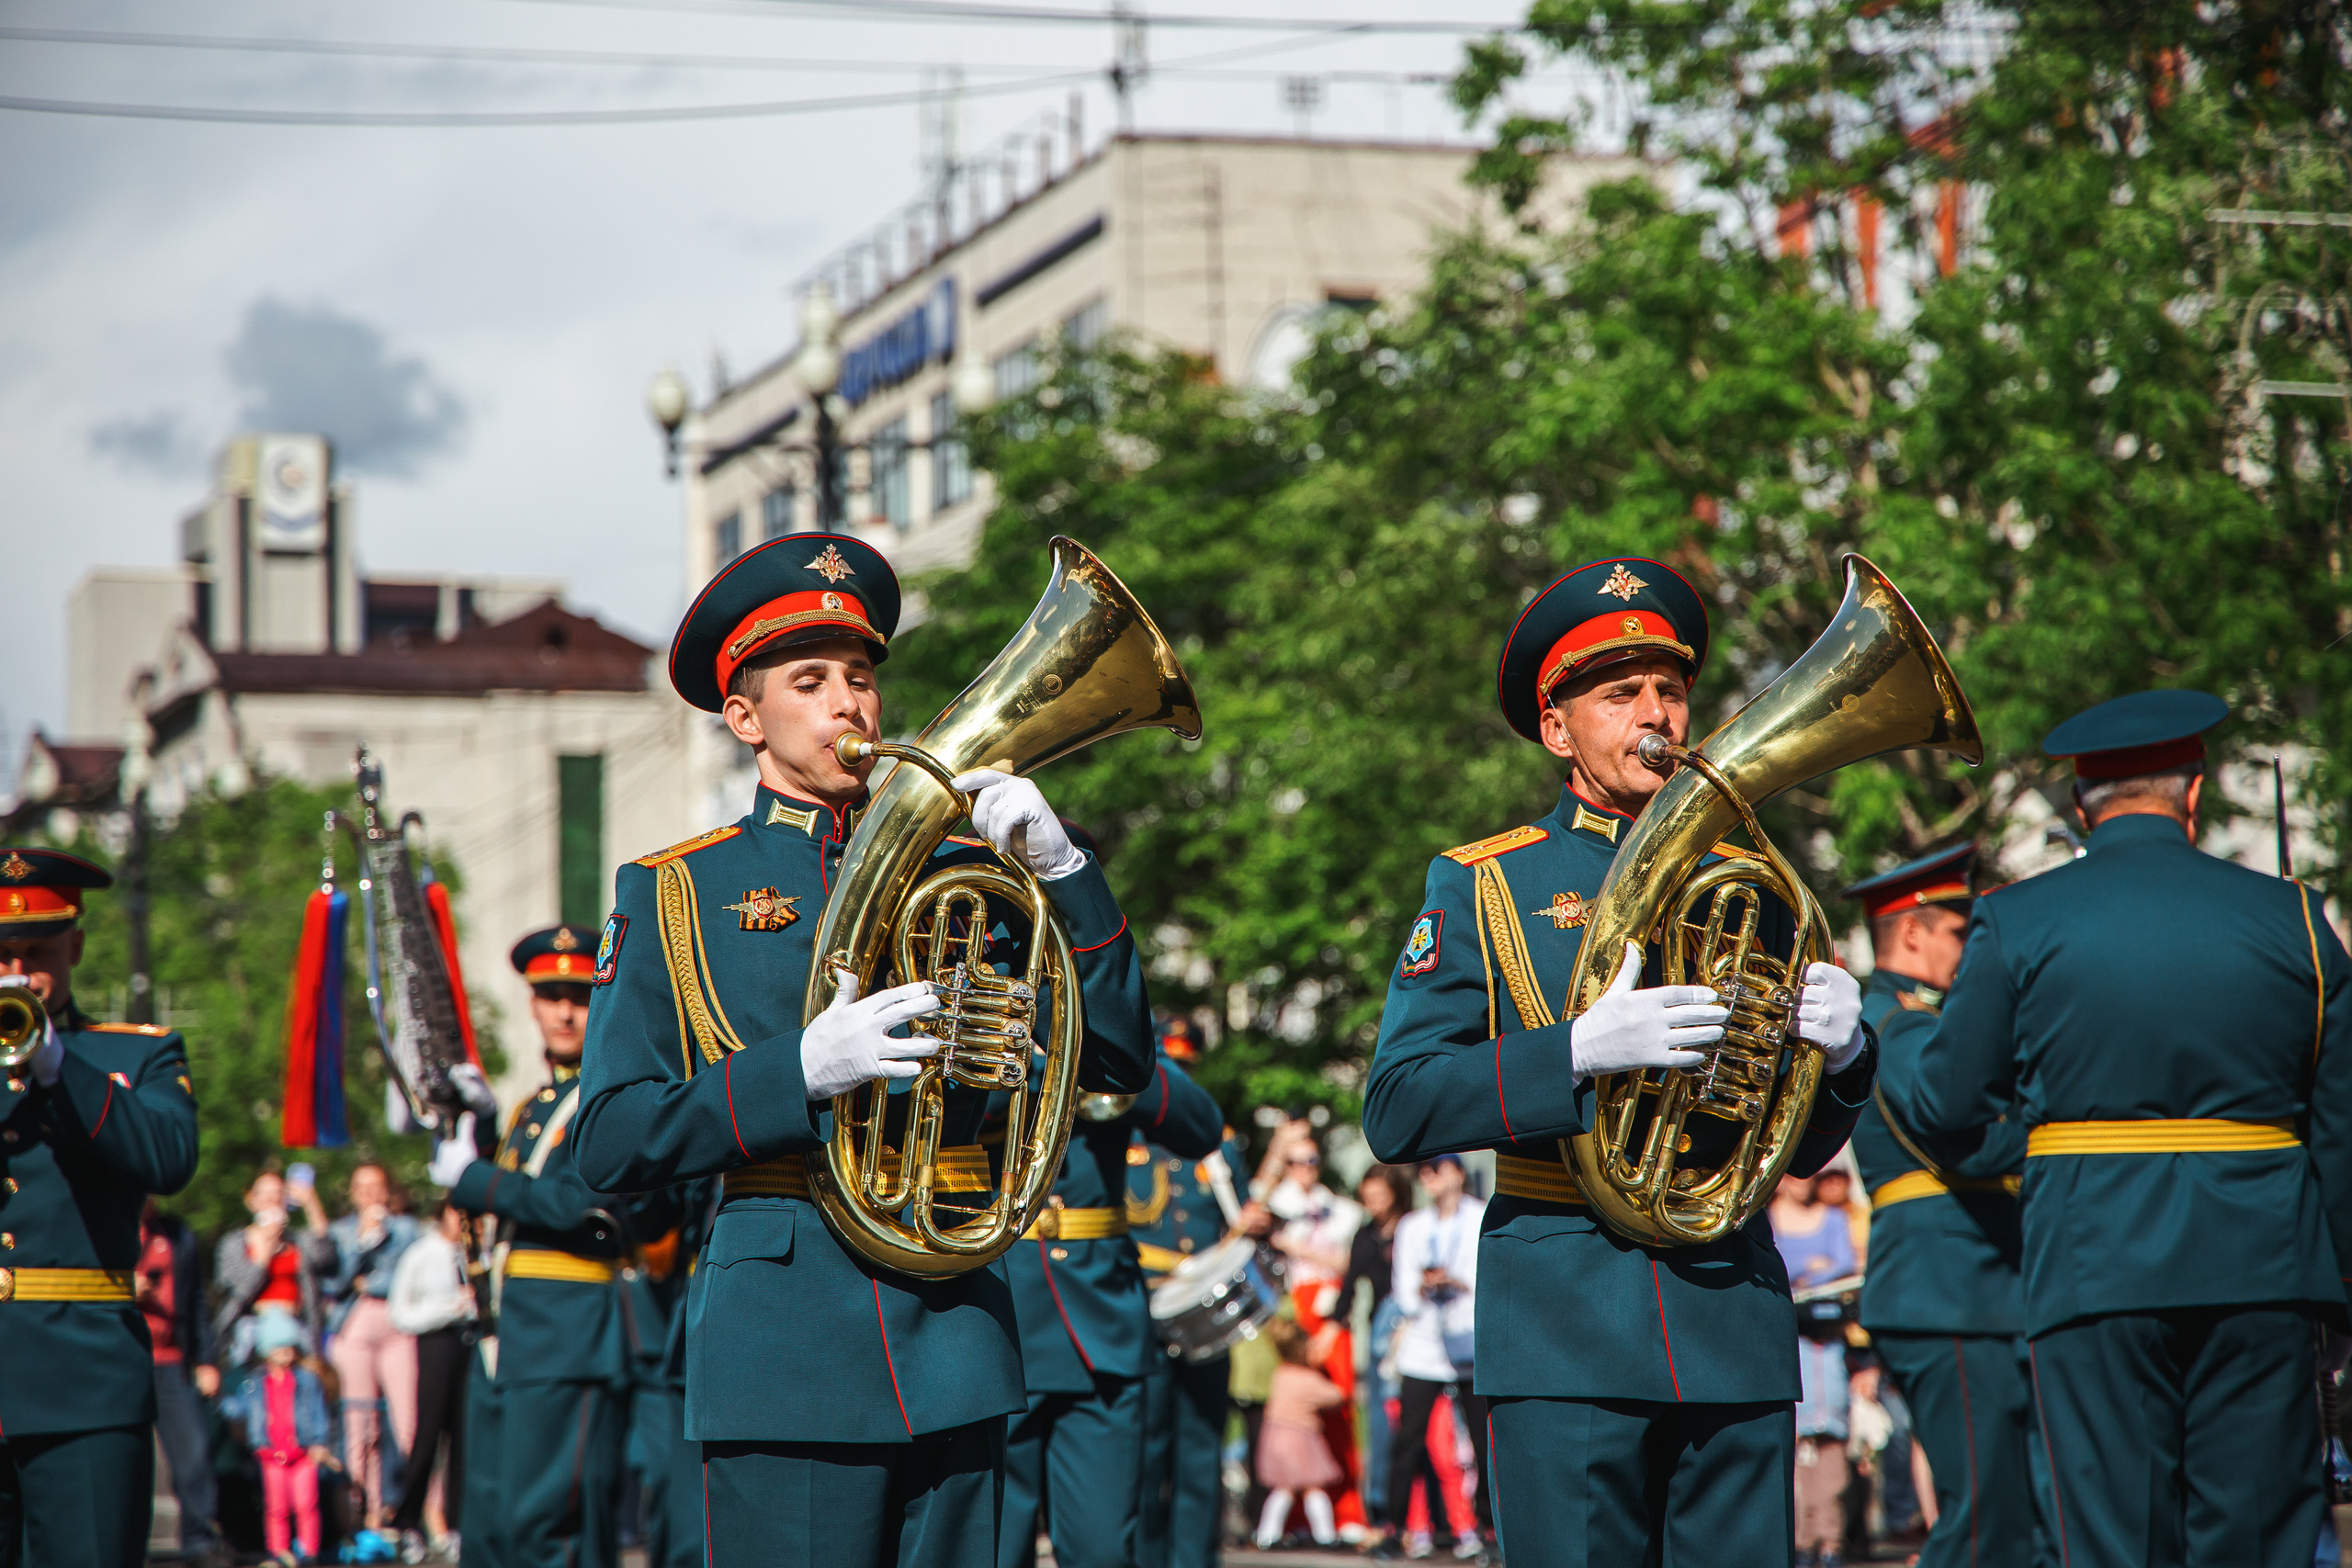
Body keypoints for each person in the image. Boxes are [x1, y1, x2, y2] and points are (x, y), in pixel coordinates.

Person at [570, 533, 1157, 1566]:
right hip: (785, 1349)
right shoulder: (674, 891)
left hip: (957, 1341)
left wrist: (1066, 872)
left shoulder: (975, 871)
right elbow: (613, 1141)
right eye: (811, 681)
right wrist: (791, 1074)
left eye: (860, 676)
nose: (851, 701)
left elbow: (1116, 1061)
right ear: (745, 719)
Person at [1364, 558, 1880, 1567]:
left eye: (1671, 691)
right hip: (1566, 1328)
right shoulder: (1487, 883)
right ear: (1559, 729)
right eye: (1621, 694)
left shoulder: (1754, 884)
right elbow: (1398, 1108)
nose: (1657, 714)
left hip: (1730, 1316)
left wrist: (1848, 1054)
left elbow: (1800, 1149)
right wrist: (1576, 1053)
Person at [1899, 690, 2352, 1568]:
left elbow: (1947, 1105)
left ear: (2081, 805)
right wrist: (2334, 1280)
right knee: (2259, 1540)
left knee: (2117, 1539)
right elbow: (2338, 1122)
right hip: (2263, 1263)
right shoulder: (2294, 916)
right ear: (2194, 793)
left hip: (2092, 1259)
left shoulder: (2016, 918)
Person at [433, 922, 671, 1568]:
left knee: (550, 1529)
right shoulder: (531, 1106)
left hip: (571, 1333)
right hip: (510, 1332)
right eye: (549, 995)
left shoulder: (608, 1100)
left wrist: (477, 1179)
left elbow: (589, 1207)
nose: (564, 1010)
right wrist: (478, 1129)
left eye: (579, 994)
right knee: (490, 1527)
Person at [0, 846, 203, 1568]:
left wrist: (61, 1071)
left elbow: (169, 1158)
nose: (17, 972)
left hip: (81, 1384)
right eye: (3, 953)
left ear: (76, 944)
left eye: (37, 951)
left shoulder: (136, 1056)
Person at [1843, 842, 2039, 1568]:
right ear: (1913, 931)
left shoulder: (1922, 1020)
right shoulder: (1895, 1023)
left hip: (1973, 1286)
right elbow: (1971, 1145)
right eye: (1961, 931)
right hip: (1947, 1289)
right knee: (1985, 1520)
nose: (1971, 948)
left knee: (2015, 1513)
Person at [995, 1031, 1224, 1568]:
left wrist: (1098, 1050)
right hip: (998, 1317)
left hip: (1100, 1321)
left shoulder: (1104, 1020)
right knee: (993, 1551)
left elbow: (1200, 1124)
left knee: (1103, 1552)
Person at [1130, 1018, 1250, 1568]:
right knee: (1145, 1450)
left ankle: (1195, 1560)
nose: (1181, 1075)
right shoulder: (1128, 1132)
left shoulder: (1219, 1142)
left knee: (1201, 1447)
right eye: (1171, 1064)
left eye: (1188, 1067)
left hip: (1205, 1310)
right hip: (1143, 1307)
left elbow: (1235, 1220)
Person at [1374, 1155, 1489, 1562]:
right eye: (1423, 1171)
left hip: (1468, 1341)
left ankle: (1485, 1529)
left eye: (1436, 1168)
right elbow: (1402, 1290)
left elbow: (1488, 1281)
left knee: (1482, 1440)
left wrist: (1458, 1283)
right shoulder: (1413, 1226)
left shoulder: (1481, 1217)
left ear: (1457, 1172)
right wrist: (1425, 1287)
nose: (1429, 1177)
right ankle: (1396, 1528)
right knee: (1408, 1440)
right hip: (1423, 1343)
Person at [322, 1161, 422, 1532]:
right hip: (352, 1329)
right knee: (361, 1424)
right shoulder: (342, 1231)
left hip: (397, 1327)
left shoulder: (408, 1229)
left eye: (376, 1185)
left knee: (410, 1422)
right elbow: (336, 1283)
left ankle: (422, 1511)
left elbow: (408, 1276)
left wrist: (372, 1282)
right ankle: (365, 1514)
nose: (368, 1194)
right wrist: (363, 1245)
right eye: (360, 1186)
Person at [388, 1197, 477, 1563]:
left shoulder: (475, 1255)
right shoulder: (422, 1253)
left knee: (463, 1437)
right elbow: (402, 1312)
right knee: (428, 1434)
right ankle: (408, 1522)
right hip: (436, 1342)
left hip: (470, 1343)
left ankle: (456, 1525)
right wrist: (449, 1308)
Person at [140, 1198, 227, 1565]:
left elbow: (195, 1298)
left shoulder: (176, 1233)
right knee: (126, 1462)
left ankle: (200, 1540)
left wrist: (206, 1360)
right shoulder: (103, 1226)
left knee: (193, 1454)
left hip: (172, 1360)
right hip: (124, 1359)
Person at [1340, 1165, 1414, 1527]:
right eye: (1366, 1198)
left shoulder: (1413, 1228)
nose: (1372, 1205)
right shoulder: (1365, 1235)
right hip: (1381, 1342)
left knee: (1415, 1426)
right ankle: (1382, 1507)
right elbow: (1350, 1285)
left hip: (1414, 1339)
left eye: (1378, 1197)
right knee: (1378, 1424)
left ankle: (1427, 1513)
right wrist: (1330, 1325)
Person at [236, 1311, 337, 1567]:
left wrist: (319, 1442)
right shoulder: (255, 1383)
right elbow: (239, 1409)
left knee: (306, 1504)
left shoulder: (306, 1380)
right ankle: (278, 1551)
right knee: (276, 1507)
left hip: (303, 1454)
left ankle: (309, 1552)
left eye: (289, 1347)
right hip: (271, 1456)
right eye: (279, 1347)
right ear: (266, 1350)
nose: (285, 1353)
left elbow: (318, 1413)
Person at [213, 1168, 328, 1366]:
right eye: (265, 1194)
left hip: (295, 1331)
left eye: (278, 1194)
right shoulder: (234, 1243)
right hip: (251, 1333)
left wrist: (311, 1204)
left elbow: (325, 1257)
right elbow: (237, 1292)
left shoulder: (296, 1240)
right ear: (251, 1200)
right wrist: (263, 1256)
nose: (273, 1200)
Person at [1254, 1317, 1348, 1548]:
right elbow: (1337, 1396)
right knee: (1313, 1488)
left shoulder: (1280, 1375)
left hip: (1274, 1440)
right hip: (1301, 1441)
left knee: (1282, 1489)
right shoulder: (1308, 1379)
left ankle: (1267, 1535)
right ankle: (1325, 1536)